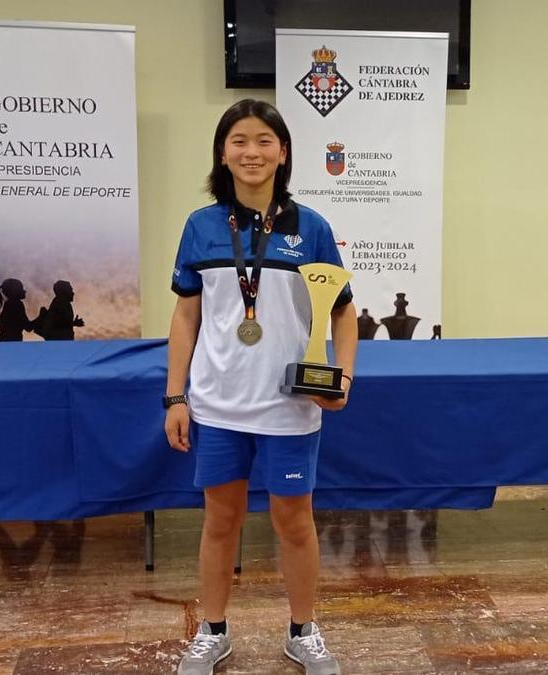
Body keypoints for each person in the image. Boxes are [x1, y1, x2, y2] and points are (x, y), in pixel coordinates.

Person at [166, 99, 356, 675]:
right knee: (219, 521)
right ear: (223, 153)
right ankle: (212, 631)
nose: (252, 152)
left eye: (264, 141)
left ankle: (303, 631)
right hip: (218, 404)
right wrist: (176, 396)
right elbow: (185, 318)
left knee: (294, 522)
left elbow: (344, 313)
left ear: (284, 152)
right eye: (240, 141)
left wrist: (341, 376)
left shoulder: (312, 228)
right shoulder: (201, 226)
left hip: (290, 408)